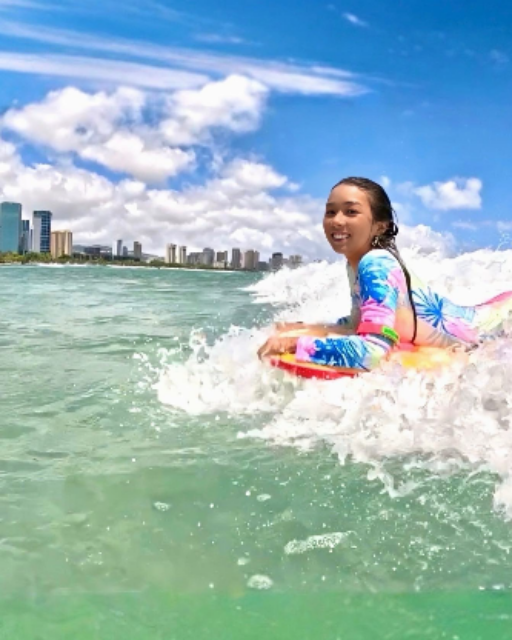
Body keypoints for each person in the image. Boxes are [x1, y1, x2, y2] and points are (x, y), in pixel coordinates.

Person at [257, 177, 512, 371]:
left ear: (380, 226)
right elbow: (361, 322)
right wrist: (313, 328)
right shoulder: (356, 264)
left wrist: (297, 345)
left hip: (494, 326)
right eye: (330, 211)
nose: (336, 220)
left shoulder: (376, 264)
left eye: (351, 211)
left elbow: (373, 352)